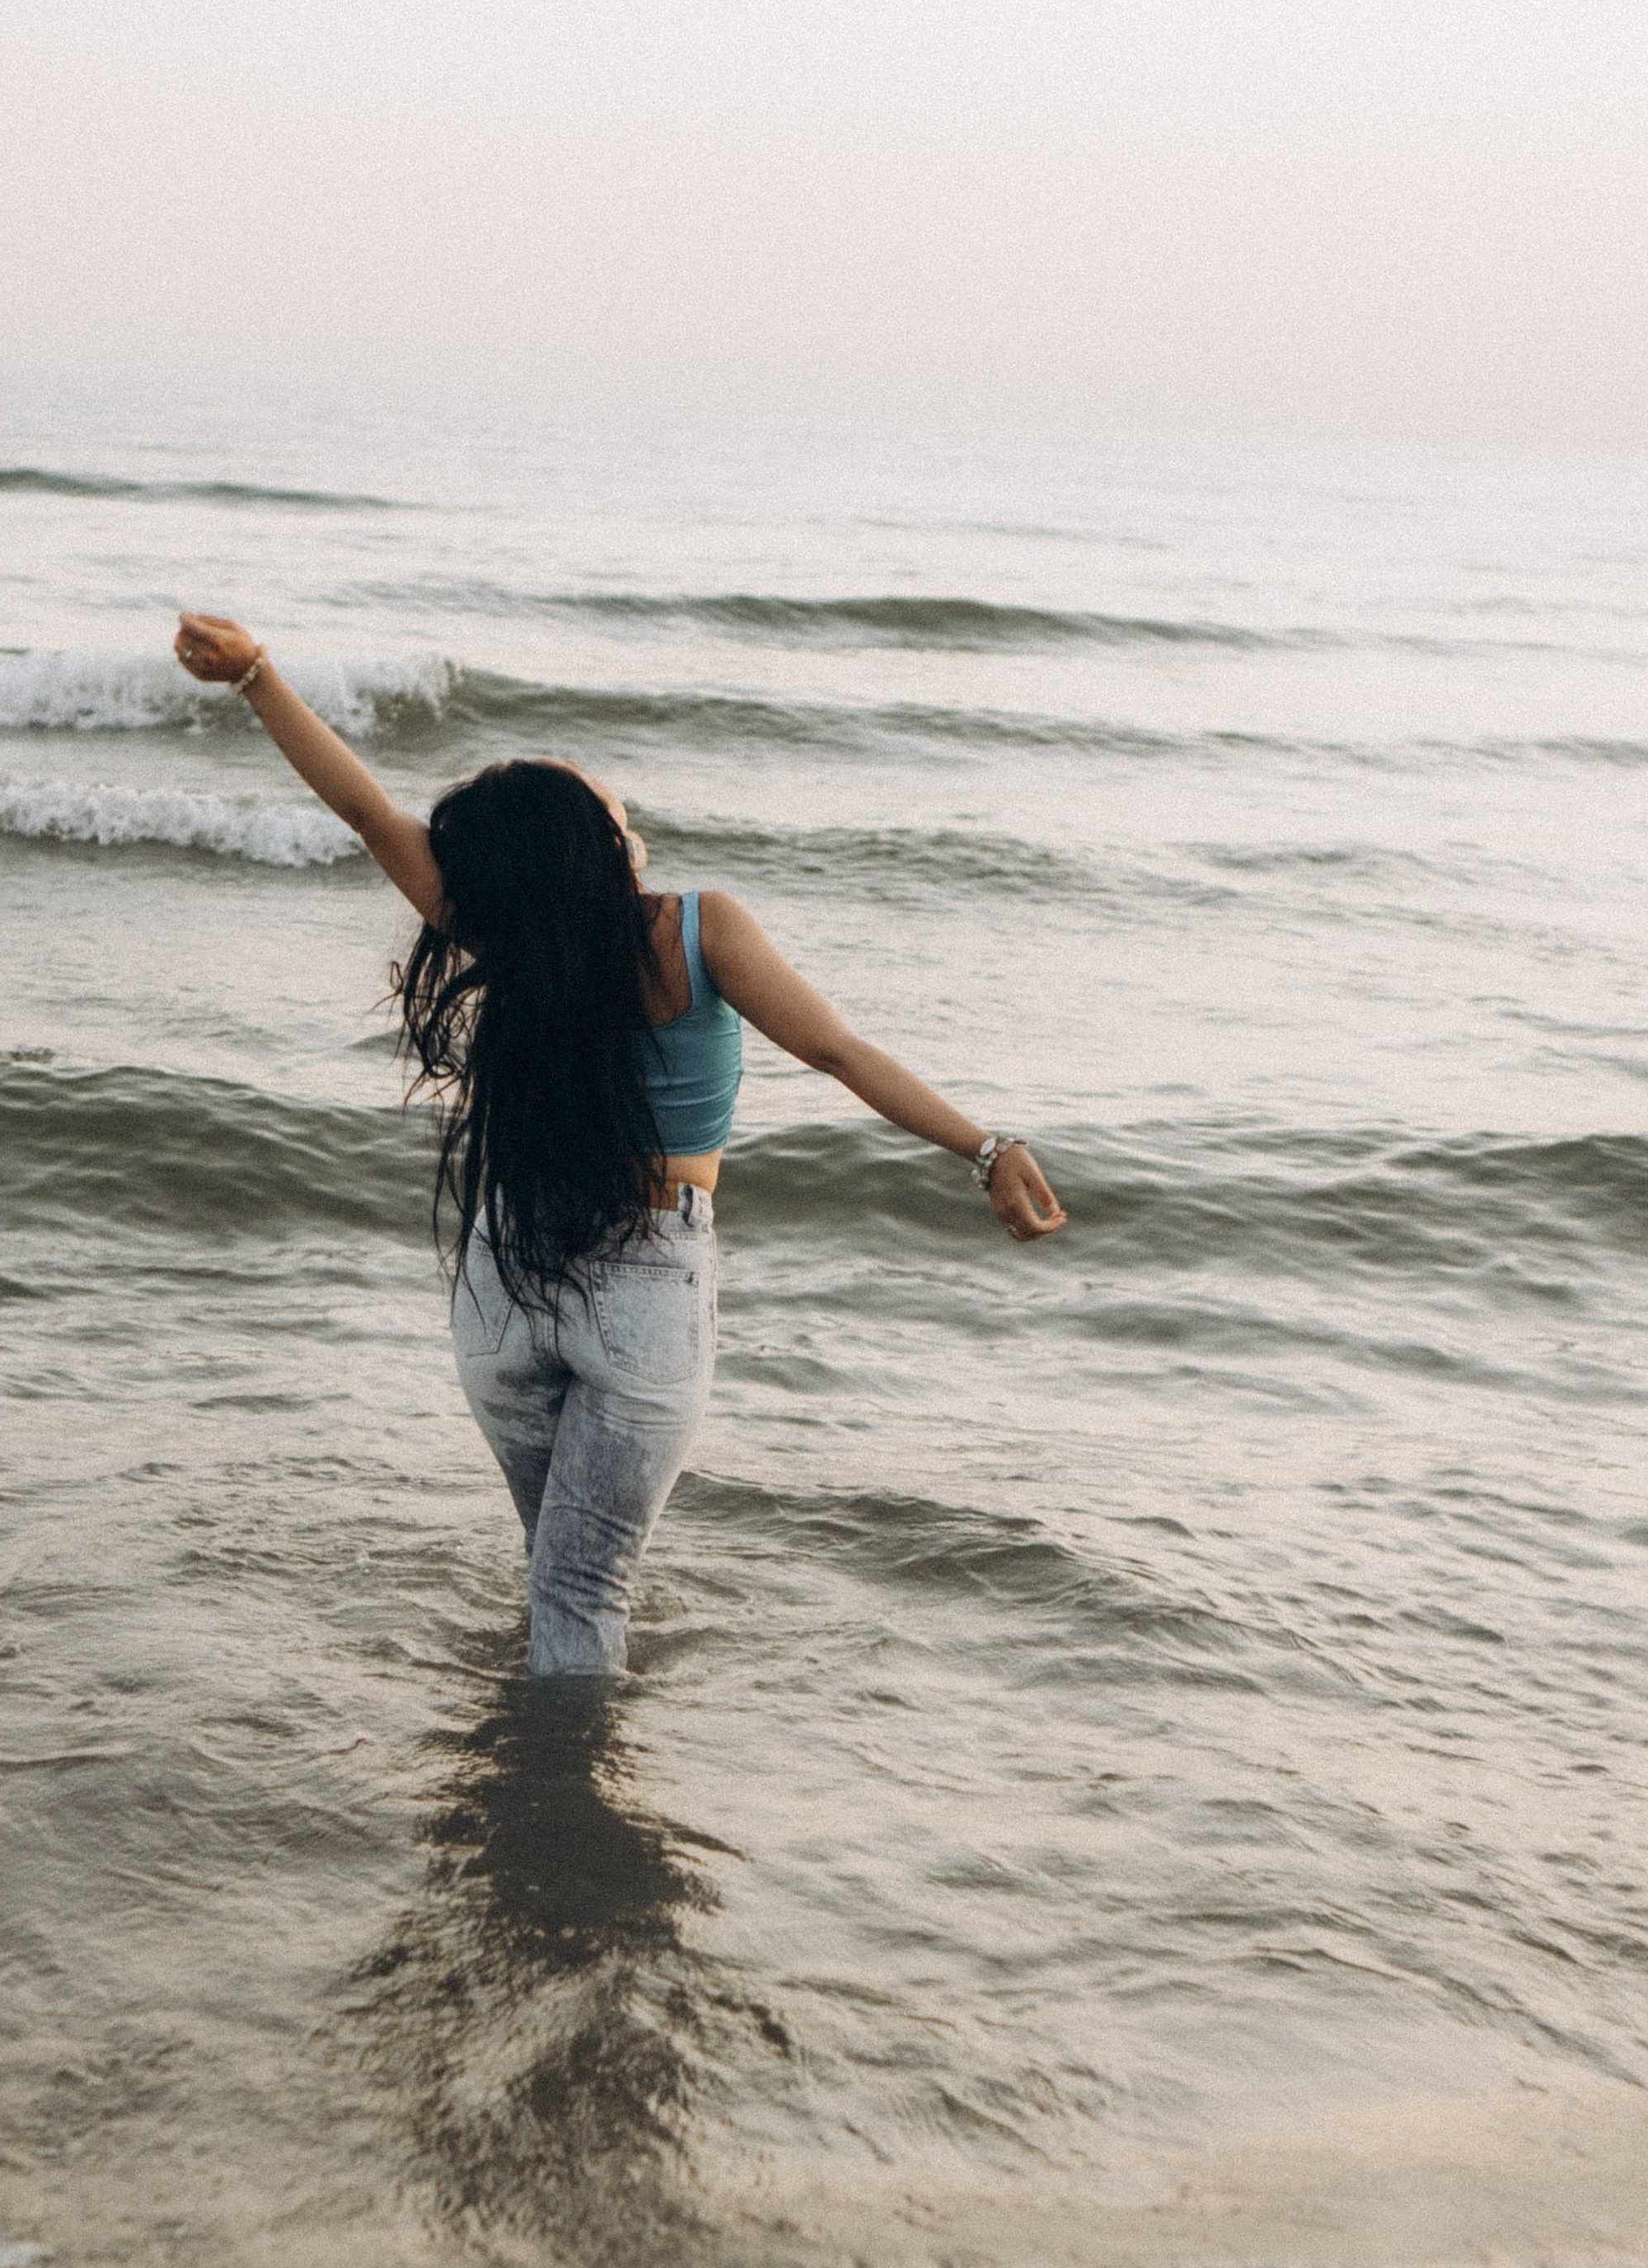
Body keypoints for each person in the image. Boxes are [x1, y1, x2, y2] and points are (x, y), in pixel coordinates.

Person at [175, 614, 1067, 1676]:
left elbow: (368, 812)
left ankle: (527, 1739)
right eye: (604, 799)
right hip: (647, 1277)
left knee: (554, 1569)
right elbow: (836, 1051)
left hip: (505, 1274)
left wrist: (258, 677)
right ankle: (562, 1776)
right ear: (589, 842)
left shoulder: (502, 933)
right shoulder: (701, 926)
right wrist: (983, 1148)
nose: (621, 803)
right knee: (583, 1587)